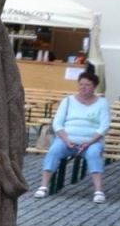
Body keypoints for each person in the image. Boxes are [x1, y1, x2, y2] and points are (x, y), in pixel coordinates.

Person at [35, 70, 110, 202]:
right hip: (67, 139)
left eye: (87, 85)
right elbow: (57, 123)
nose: (83, 87)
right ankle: (43, 186)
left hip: (91, 141)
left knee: (94, 155)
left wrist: (90, 142)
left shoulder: (102, 103)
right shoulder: (68, 101)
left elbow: (104, 126)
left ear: (94, 86)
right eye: (81, 84)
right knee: (54, 151)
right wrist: (66, 139)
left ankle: (98, 190)